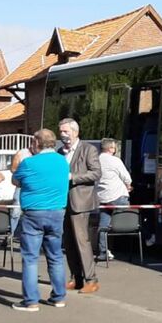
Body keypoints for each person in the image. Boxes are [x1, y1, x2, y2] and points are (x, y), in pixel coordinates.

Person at [11, 129, 69, 311]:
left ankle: (31, 301)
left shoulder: (29, 163)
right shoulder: (63, 162)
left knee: (30, 258)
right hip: (57, 212)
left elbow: (15, 181)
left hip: (34, 213)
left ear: (37, 143)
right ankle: (58, 297)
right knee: (56, 256)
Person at [58, 118, 101, 293]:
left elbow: (96, 173)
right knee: (68, 242)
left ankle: (91, 279)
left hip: (81, 202)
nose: (63, 135)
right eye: (61, 132)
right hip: (63, 202)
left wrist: (73, 177)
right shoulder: (60, 152)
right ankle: (76, 278)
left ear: (75, 132)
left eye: (66, 131)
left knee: (82, 241)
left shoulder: (88, 149)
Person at [97, 138, 132, 262]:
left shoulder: (96, 160)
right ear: (111, 148)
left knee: (103, 225)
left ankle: (103, 251)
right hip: (118, 196)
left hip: (103, 197)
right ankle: (148, 237)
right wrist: (128, 185)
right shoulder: (115, 160)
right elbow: (126, 177)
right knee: (131, 219)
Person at [9, 144, 35, 235]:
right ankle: (12, 234)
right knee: (16, 211)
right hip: (22, 186)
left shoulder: (42, 154)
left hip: (36, 188)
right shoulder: (22, 153)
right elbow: (13, 169)